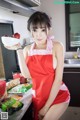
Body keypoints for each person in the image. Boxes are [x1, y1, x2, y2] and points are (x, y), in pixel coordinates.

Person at [4, 11, 70, 120]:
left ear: (49, 29)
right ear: (31, 31)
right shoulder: (26, 50)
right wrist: (18, 49)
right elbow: (26, 75)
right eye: (35, 30)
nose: (38, 35)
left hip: (57, 95)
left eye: (43, 30)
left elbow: (58, 80)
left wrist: (46, 107)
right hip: (38, 96)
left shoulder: (57, 46)